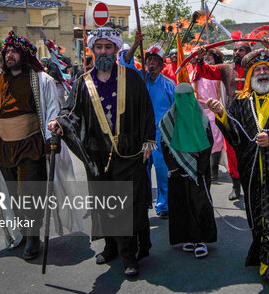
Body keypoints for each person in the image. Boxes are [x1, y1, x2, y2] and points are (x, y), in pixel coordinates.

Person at [49, 27, 156, 277]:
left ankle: (129, 256)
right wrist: (59, 122)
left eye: (109, 47)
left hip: (128, 154)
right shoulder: (83, 81)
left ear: (117, 50)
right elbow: (71, 111)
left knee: (127, 206)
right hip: (97, 155)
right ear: (92, 50)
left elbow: (146, 110)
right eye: (99, 47)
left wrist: (148, 142)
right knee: (105, 203)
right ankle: (111, 246)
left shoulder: (132, 78)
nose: (104, 51)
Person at [0, 31, 80, 260]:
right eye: (7, 51)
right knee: (13, 195)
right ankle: (24, 232)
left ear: (24, 55)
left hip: (30, 146)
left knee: (28, 193)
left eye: (14, 51)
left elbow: (51, 111)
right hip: (4, 148)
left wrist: (51, 144)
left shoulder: (41, 80)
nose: (9, 55)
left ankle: (32, 238)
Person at [208, 48, 269, 280]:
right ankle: (264, 255)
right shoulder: (240, 102)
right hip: (251, 171)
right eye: (256, 69)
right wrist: (221, 115)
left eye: (266, 69)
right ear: (249, 76)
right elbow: (235, 137)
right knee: (257, 214)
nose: (261, 72)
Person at [159, 83, 217, 258]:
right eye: (180, 97)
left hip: (198, 172)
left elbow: (208, 145)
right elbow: (165, 145)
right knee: (181, 205)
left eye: (187, 97)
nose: (184, 101)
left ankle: (200, 240)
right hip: (178, 172)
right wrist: (174, 167)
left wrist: (200, 168)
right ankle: (187, 238)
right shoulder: (167, 120)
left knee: (199, 204)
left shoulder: (202, 119)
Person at [123, 41, 175, 218]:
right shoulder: (137, 79)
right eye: (149, 60)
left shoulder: (170, 85)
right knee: (141, 172)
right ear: (145, 63)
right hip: (141, 135)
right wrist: (136, 44)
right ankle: (142, 204)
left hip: (162, 137)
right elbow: (125, 62)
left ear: (161, 65)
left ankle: (164, 205)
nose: (152, 63)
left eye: (155, 60)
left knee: (162, 172)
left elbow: (177, 112)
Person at [195, 41, 251, 201]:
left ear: (248, 52)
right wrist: (199, 59)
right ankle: (236, 186)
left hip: (252, 117)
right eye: (236, 50)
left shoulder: (255, 68)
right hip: (232, 117)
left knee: (251, 154)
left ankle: (251, 185)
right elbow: (206, 71)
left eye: (242, 50)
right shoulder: (227, 69)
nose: (237, 52)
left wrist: (268, 49)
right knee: (232, 154)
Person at [191, 49, 227, 180]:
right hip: (199, 112)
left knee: (216, 142)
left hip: (215, 111)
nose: (207, 58)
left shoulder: (218, 74)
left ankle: (214, 170)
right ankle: (202, 167)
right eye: (205, 56)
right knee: (201, 140)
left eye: (210, 56)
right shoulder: (194, 74)